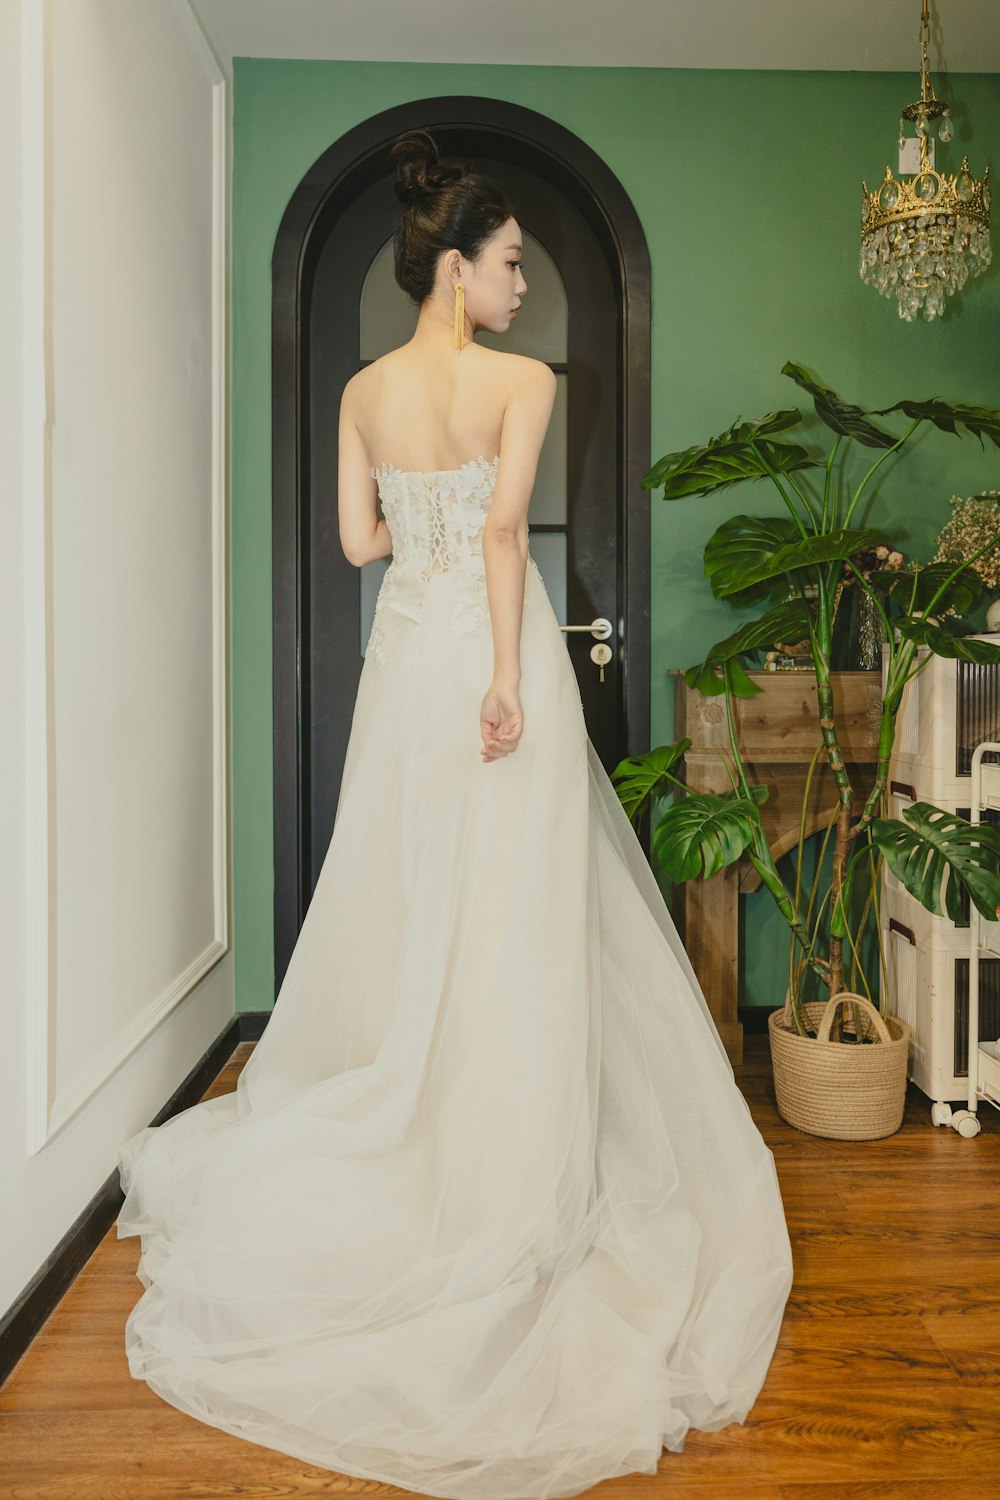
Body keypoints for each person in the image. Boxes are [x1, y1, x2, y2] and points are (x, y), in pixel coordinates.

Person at [116, 127, 794, 1500]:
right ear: (452, 270)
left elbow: (362, 546)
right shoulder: (524, 382)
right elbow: (504, 539)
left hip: (402, 670)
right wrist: (506, 681)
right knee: (520, 907)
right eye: (509, 262)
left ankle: (415, 1123)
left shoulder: (363, 385)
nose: (524, 284)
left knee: (416, 893)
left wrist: (437, 609)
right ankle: (502, 1148)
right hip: (489, 666)